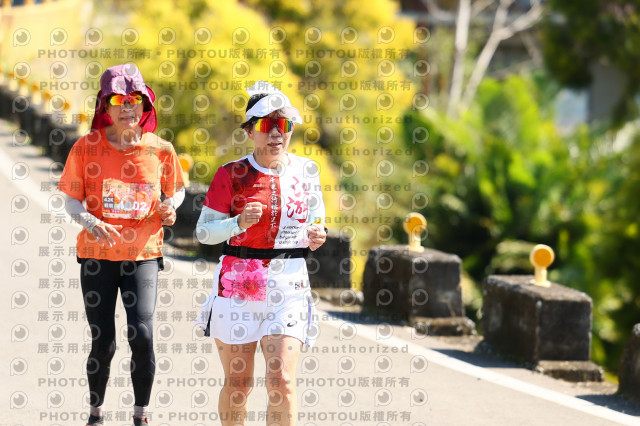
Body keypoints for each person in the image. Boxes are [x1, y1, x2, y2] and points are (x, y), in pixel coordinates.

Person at [58, 64, 185, 426]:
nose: (128, 108)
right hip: (97, 256)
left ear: (145, 106)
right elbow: (71, 200)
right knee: (103, 341)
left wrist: (170, 207)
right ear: (105, 107)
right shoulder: (86, 148)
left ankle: (140, 416)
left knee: (142, 334)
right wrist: (90, 221)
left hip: (143, 256)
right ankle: (96, 414)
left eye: (135, 101)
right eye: (119, 101)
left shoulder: (161, 150)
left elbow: (176, 191)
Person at [195, 81, 327, 425]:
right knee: (239, 384)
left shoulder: (307, 171)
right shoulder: (231, 173)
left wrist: (318, 235)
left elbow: (317, 220)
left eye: (283, 124)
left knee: (282, 382)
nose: (276, 134)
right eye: (267, 125)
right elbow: (204, 232)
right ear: (250, 131)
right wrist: (237, 222)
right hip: (240, 285)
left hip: (289, 286)